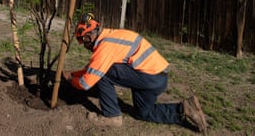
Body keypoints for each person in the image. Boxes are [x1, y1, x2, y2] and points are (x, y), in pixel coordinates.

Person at [63, 13, 208, 132]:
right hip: (156, 78)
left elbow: (86, 82)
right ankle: (184, 108)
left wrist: (70, 80)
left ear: (88, 37)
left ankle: (112, 116)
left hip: (150, 78)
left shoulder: (104, 48)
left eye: (82, 42)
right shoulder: (110, 36)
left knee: (103, 74)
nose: (84, 45)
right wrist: (74, 73)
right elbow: (94, 67)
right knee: (143, 113)